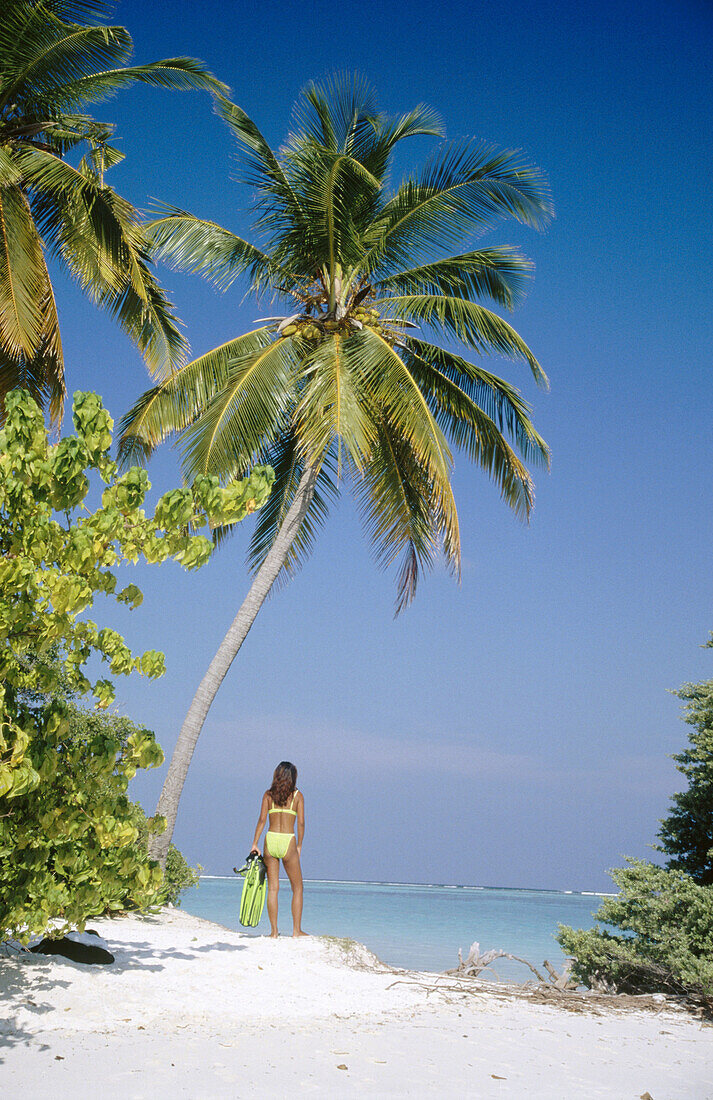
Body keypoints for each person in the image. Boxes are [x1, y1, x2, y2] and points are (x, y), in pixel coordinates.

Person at [250, 761, 307, 937]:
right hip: (287, 840)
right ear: (293, 777)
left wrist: (255, 843)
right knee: (297, 888)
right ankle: (296, 931)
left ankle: (274, 932)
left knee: (273, 888)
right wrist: (299, 845)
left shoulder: (268, 795)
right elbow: (301, 823)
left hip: (271, 838)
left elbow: (261, 820)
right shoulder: (297, 796)